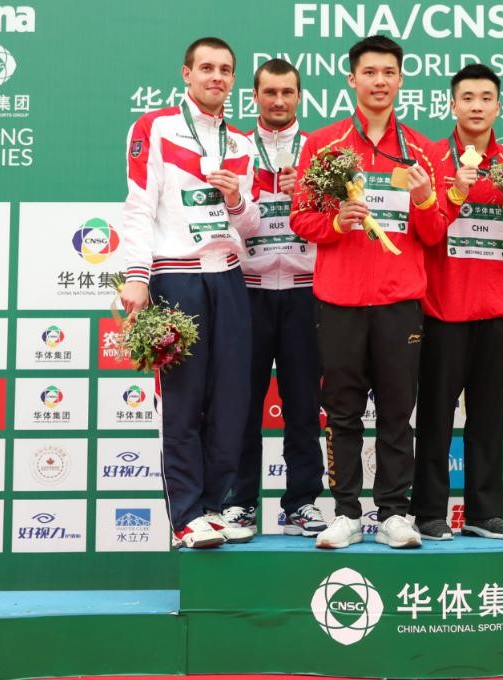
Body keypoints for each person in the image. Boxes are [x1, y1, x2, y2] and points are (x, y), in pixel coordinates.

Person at [290, 35, 447, 550]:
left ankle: (395, 512)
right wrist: (336, 221)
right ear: (352, 79)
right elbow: (301, 218)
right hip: (339, 301)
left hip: (400, 302)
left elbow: (435, 234)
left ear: (401, 79)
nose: (380, 81)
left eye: (389, 72)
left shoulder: (423, 151)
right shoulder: (324, 146)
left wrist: (424, 199)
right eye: (370, 72)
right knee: (342, 413)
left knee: (398, 413)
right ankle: (346, 513)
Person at [120, 37, 259, 548]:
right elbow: (139, 206)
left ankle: (214, 509)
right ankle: (185, 517)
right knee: (182, 402)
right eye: (206, 68)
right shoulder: (155, 127)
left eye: (225, 69)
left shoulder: (241, 144)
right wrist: (137, 275)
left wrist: (237, 199)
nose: (216, 77)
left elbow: (251, 225)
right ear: (186, 73)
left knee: (231, 402)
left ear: (233, 79)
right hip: (176, 277)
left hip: (229, 277)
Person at [410, 63, 503, 541]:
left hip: (501, 308)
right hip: (444, 307)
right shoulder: (430, 161)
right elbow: (423, 231)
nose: (477, 106)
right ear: (452, 104)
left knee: (489, 417)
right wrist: (456, 191)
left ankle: (485, 511)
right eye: (467, 98)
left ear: (499, 106)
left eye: (486, 98)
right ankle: (429, 511)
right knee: (436, 416)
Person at [213, 58, 328, 539]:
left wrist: (309, 193)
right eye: (269, 92)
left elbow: (338, 222)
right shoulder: (237, 149)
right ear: (255, 96)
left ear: (300, 96)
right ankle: (239, 502)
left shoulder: (320, 151)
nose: (279, 101)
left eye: (287, 92)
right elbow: (224, 219)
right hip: (249, 290)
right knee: (242, 403)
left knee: (303, 404)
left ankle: (302, 503)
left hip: (305, 292)